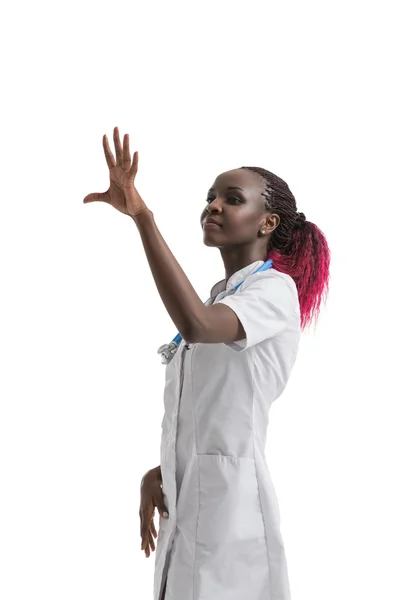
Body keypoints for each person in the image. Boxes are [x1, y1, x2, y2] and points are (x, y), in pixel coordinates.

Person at [83, 127, 331, 600]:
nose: (213, 205)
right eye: (211, 196)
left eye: (232, 198)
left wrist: (143, 218)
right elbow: (207, 408)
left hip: (232, 510)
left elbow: (195, 324)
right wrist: (162, 470)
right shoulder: (226, 297)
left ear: (267, 223)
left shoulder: (274, 292)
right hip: (191, 496)